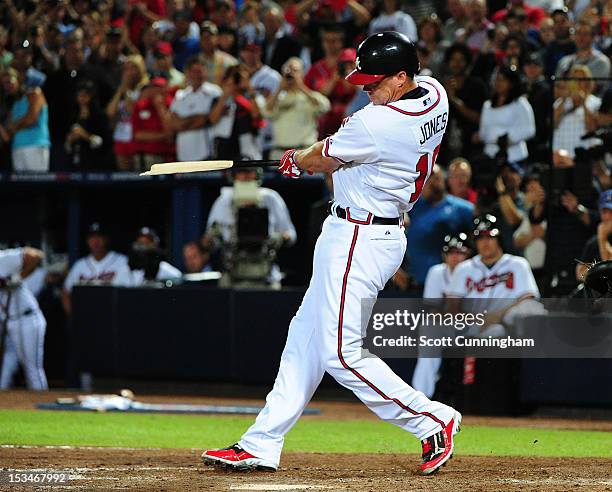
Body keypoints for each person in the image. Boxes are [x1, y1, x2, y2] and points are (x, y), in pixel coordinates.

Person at [202, 31, 462, 476]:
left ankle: (431, 418)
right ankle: (261, 442)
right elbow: (331, 154)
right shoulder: (434, 94)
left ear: (402, 77)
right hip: (360, 230)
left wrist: (296, 159)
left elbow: (322, 157)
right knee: (304, 337)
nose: (366, 88)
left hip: (361, 238)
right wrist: (306, 157)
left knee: (341, 353)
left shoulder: (378, 123)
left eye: (376, 81)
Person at [411, 234, 471, 398]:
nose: (455, 257)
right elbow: (433, 311)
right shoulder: (437, 272)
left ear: (468, 254)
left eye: (460, 253)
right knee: (430, 330)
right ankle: (421, 397)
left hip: (475, 325)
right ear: (444, 255)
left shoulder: (475, 270)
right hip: (450, 325)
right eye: (451, 252)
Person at [406, 164, 474, 287]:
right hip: (414, 283)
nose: (430, 182)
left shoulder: (463, 209)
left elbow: (475, 243)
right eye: (425, 178)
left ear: (443, 180)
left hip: (450, 282)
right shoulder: (411, 207)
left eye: (434, 177)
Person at [0, 247, 48, 390]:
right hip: (7, 321)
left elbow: (36, 255)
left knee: (32, 370)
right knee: (5, 367)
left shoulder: (3, 259)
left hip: (26, 319)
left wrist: (18, 278)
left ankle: (43, 406)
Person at [265, 57, 330, 160]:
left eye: (295, 71)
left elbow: (324, 106)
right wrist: (279, 89)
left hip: (305, 152)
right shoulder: (278, 98)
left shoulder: (310, 96)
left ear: (303, 73)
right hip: (279, 153)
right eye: (288, 71)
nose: (291, 74)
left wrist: (301, 86)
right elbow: (266, 112)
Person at [61, 223, 130, 316]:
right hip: (86, 316)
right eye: (92, 237)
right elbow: (66, 292)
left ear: (106, 239)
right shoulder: (80, 265)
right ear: (87, 241)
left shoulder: (122, 261)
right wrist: (74, 316)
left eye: (99, 236)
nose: (95, 241)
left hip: (113, 316)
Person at [475, 64, 535, 166]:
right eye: (497, 80)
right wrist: (491, 138)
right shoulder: (487, 105)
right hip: (490, 156)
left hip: (515, 157)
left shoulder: (520, 104)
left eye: (503, 80)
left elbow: (529, 130)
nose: (499, 83)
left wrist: (507, 139)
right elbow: (483, 132)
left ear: (512, 83)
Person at [169, 55, 222, 162]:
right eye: (195, 71)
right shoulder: (180, 95)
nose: (199, 75)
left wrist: (184, 123)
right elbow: (173, 123)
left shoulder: (214, 92)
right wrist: (198, 119)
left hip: (206, 154)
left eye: (201, 71)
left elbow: (210, 119)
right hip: (183, 155)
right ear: (187, 73)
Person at [5, 70, 50, 172]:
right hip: (17, 147)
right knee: (20, 187)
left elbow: (31, 119)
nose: (7, 86)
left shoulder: (36, 93)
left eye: (9, 82)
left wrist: (16, 126)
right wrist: (19, 124)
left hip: (35, 146)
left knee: (37, 186)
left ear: (18, 80)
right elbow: (8, 129)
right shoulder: (15, 103)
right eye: (4, 83)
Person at [576, 190, 612, 281]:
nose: (607, 216)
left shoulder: (601, 237)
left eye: (611, 212)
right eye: (604, 212)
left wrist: (603, 238)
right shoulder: (594, 242)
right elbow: (580, 274)